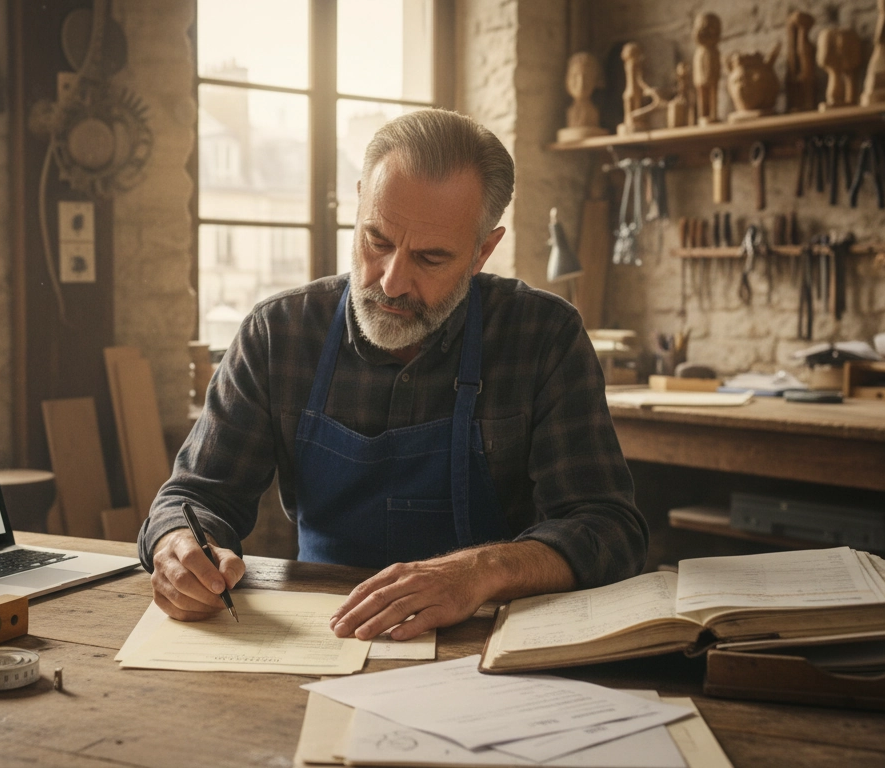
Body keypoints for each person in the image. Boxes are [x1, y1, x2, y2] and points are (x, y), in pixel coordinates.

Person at [138, 109, 646, 643]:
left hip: (488, 646)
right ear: (359, 203)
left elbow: (610, 530)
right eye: (377, 240)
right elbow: (193, 497)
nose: (393, 281)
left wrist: (480, 572)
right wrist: (179, 547)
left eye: (430, 258)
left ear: (482, 252)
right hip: (326, 639)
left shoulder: (542, 337)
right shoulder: (279, 334)